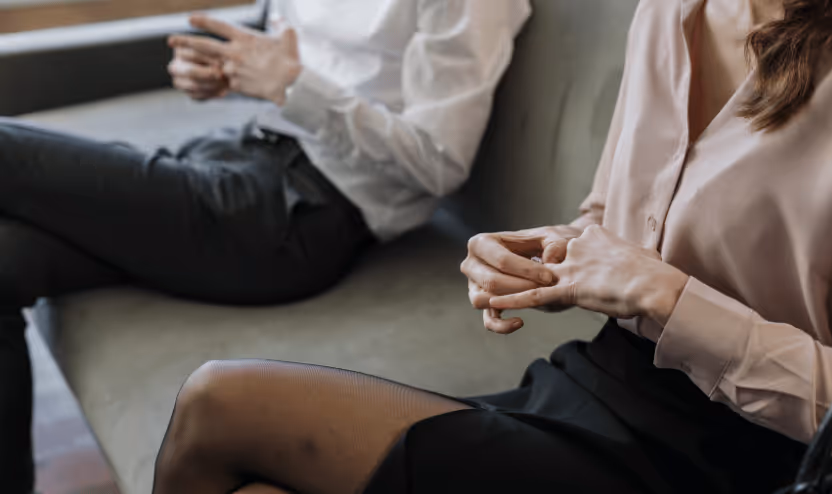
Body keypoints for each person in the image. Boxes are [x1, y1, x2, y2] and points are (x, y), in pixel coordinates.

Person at [150, 0, 832, 493]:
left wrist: (666, 296)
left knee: (222, 399)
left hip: (736, 455)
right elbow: (615, 218)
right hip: (598, 381)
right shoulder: (669, 9)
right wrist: (539, 257)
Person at [0, 1, 531, 492]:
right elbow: (285, 50)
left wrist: (292, 86)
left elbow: (439, 161)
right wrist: (224, 72)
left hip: (295, 215)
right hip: (237, 155)